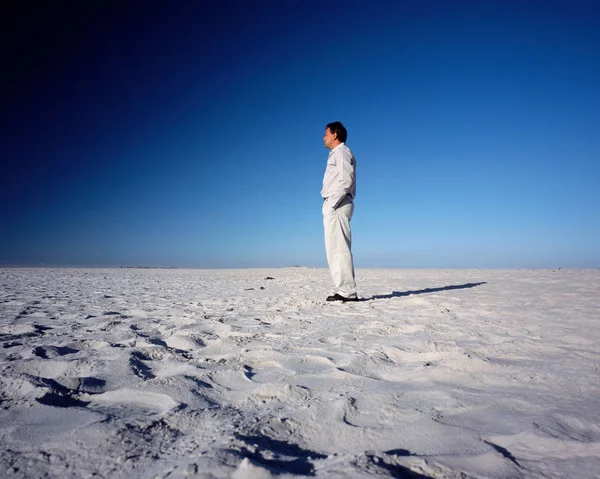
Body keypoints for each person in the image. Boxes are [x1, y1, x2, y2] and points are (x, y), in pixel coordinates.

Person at [321, 121, 358, 302]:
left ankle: (347, 292)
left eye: (326, 134)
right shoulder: (336, 153)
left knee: (339, 248)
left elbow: (346, 179)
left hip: (338, 203)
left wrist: (332, 203)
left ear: (335, 135)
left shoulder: (341, 152)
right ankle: (344, 290)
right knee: (334, 248)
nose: (323, 137)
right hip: (336, 203)